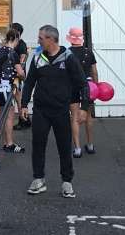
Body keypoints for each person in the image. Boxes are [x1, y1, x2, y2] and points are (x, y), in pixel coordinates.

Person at [21, 25, 88, 198]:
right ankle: (38, 179)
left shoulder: (68, 58)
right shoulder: (37, 59)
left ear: (51, 39)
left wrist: (84, 108)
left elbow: (83, 84)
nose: (38, 41)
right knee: (38, 145)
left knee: (64, 147)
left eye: (41, 38)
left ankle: (67, 182)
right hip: (41, 110)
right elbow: (29, 83)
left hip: (60, 111)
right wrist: (23, 105)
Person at [66, 27, 98, 157]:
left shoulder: (67, 53)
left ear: (70, 39)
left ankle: (77, 148)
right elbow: (94, 71)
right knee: (88, 116)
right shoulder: (88, 52)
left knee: (74, 116)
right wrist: (96, 86)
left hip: (72, 86)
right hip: (87, 85)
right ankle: (90, 145)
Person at [0, 29, 25, 153]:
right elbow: (20, 72)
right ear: (15, 39)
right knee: (10, 116)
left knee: (4, 114)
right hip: (6, 86)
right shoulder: (12, 53)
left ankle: (6, 141)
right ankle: (9, 143)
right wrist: (23, 75)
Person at [11, 22, 31, 130]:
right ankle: (25, 120)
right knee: (17, 98)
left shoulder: (21, 44)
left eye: (12, 29)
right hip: (15, 74)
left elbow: (23, 59)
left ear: (17, 32)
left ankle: (23, 121)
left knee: (19, 99)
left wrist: (19, 73)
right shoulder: (14, 43)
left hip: (18, 75)